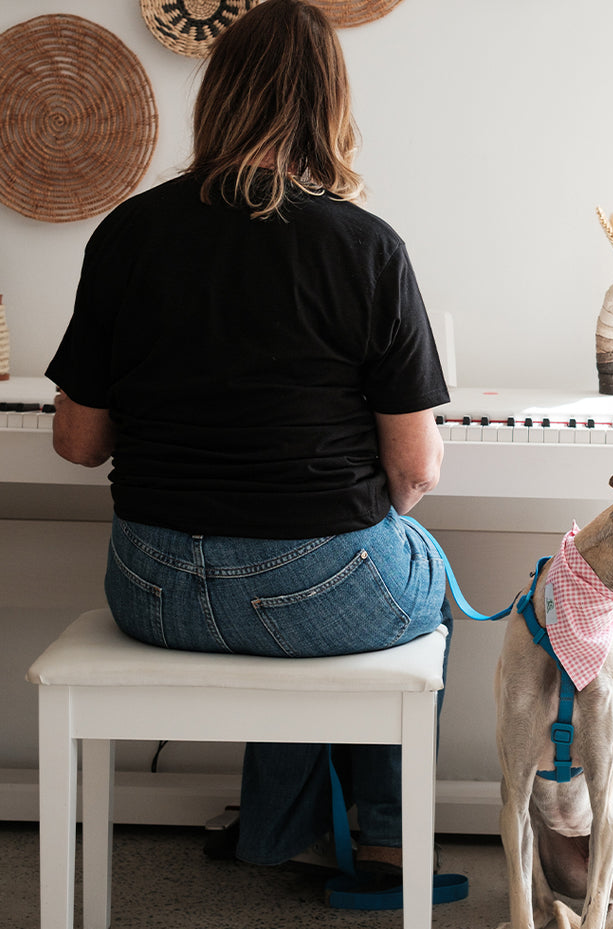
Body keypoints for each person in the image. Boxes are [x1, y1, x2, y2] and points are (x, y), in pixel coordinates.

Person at [46, 0, 451, 879]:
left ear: (216, 96)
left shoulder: (126, 233)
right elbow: (415, 471)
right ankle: (380, 832)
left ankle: (278, 827)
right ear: (329, 106)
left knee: (339, 573)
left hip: (148, 590)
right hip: (310, 597)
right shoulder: (365, 247)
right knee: (422, 569)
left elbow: (76, 444)